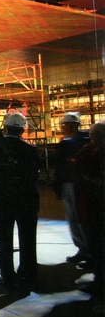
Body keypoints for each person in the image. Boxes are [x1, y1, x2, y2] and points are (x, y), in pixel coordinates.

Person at [0, 113, 40, 291]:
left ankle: (7, 275)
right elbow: (34, 175)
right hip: (26, 199)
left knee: (5, 239)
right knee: (28, 239)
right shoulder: (29, 150)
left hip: (3, 199)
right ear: (22, 130)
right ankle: (28, 274)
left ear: (5, 127)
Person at [72, 121, 105, 299]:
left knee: (98, 243)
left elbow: (78, 164)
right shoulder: (92, 149)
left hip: (95, 204)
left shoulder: (95, 152)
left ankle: (100, 283)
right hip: (94, 204)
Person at [52, 112, 90, 264]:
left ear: (72, 125)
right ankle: (84, 249)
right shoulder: (81, 141)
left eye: (65, 125)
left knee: (80, 218)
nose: (63, 128)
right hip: (70, 183)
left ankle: (88, 250)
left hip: (77, 184)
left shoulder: (77, 142)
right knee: (74, 218)